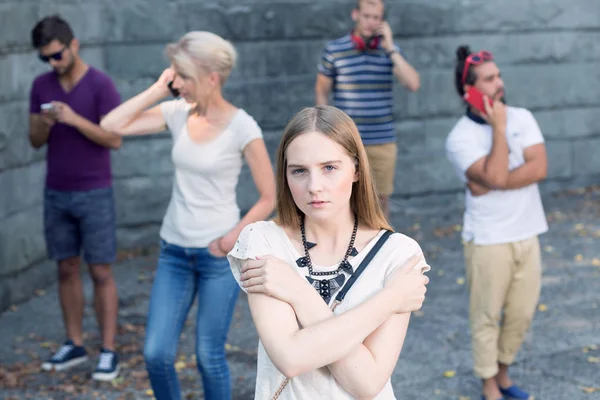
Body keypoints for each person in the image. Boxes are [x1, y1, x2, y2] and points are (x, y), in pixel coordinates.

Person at [100, 31, 276, 399]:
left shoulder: (242, 126)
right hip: (174, 252)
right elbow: (110, 126)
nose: (176, 81)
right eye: (174, 74)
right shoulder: (177, 111)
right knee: (156, 354)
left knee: (208, 356)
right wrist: (158, 88)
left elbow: (269, 196)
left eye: (183, 75)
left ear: (211, 78)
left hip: (217, 256)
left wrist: (232, 238)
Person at [227, 105, 430, 399]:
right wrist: (392, 299)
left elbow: (366, 383)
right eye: (299, 171)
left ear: (357, 169)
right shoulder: (262, 241)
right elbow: (291, 358)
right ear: (284, 175)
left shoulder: (399, 254)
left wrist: (296, 291)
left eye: (329, 168)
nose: (314, 186)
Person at [445, 46, 548, 400]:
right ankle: (489, 384)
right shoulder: (459, 138)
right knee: (486, 316)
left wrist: (494, 179)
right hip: (488, 238)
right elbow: (500, 176)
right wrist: (499, 130)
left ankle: (504, 374)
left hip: (528, 231)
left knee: (521, 315)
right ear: (468, 90)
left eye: (498, 75)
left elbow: (538, 168)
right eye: (489, 79)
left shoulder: (523, 116)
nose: (499, 83)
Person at [28, 15, 122, 381]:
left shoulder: (101, 85)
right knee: (65, 267)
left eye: (56, 55)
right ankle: (75, 343)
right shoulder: (41, 85)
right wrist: (44, 122)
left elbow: (114, 139)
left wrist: (73, 119)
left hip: (95, 191)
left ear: (74, 45)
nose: (52, 63)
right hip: (56, 191)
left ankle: (109, 350)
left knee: (100, 270)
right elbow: (35, 141)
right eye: (45, 58)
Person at [314, 0, 420, 218]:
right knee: (344, 200)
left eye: (376, 18)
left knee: (380, 203)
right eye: (366, 16)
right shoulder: (335, 50)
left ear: (382, 21)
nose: (371, 22)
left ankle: (380, 250)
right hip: (346, 142)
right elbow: (321, 92)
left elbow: (413, 83)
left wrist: (390, 49)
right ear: (356, 15)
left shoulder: (390, 51)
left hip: (382, 140)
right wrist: (323, 133)